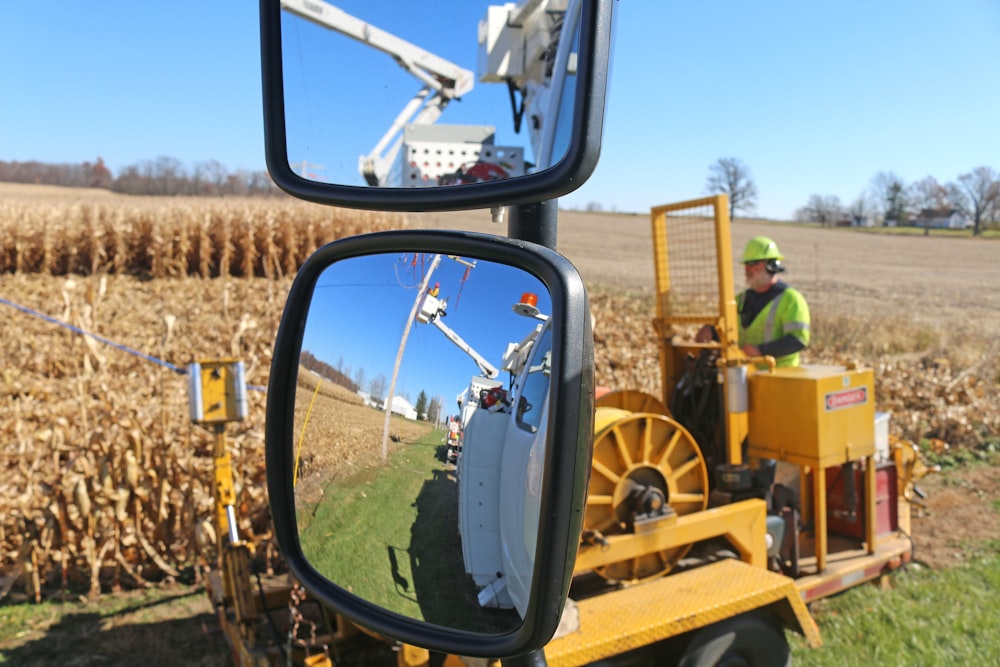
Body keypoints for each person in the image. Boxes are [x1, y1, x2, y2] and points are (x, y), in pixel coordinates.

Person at [737, 236, 810, 367]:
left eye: (753, 263)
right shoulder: (740, 300)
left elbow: (797, 340)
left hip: (780, 378)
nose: (747, 269)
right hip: (744, 376)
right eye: (746, 264)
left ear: (771, 265)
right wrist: (711, 331)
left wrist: (761, 350)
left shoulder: (791, 299)